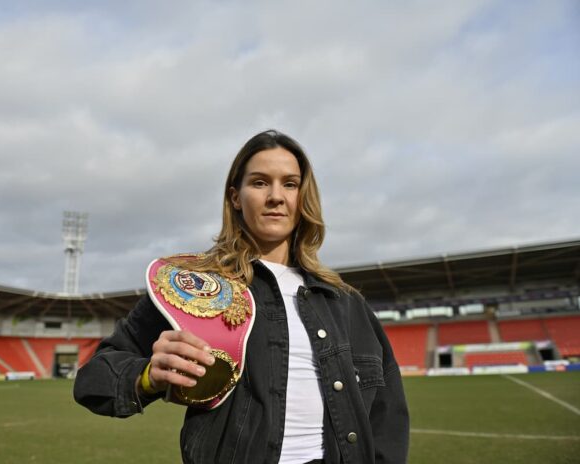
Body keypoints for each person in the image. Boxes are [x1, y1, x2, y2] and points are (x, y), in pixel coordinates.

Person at [73, 130, 409, 464]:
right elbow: (93, 380)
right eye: (260, 182)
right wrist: (148, 375)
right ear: (235, 197)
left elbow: (386, 415)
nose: (276, 196)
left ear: (302, 197)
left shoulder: (345, 303)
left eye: (290, 184)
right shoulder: (194, 287)